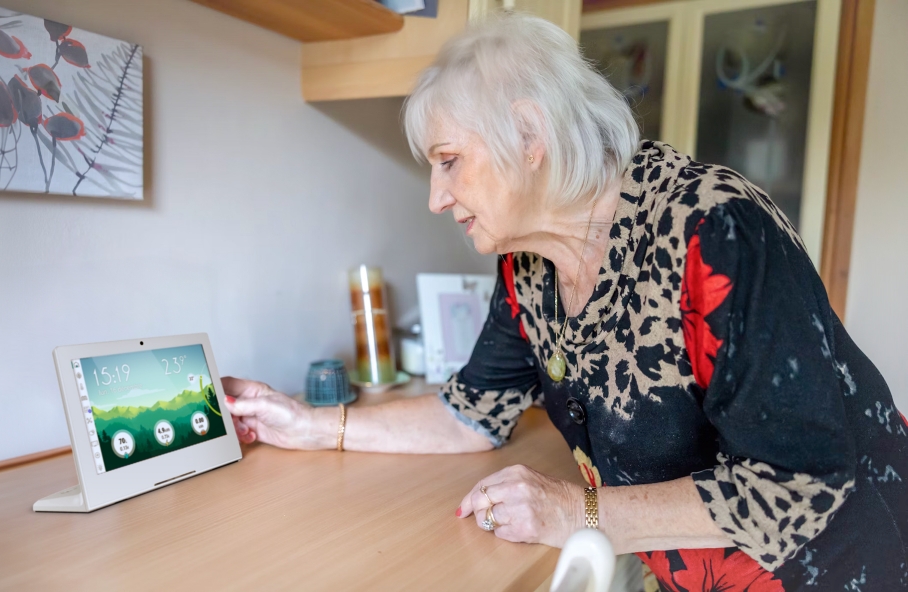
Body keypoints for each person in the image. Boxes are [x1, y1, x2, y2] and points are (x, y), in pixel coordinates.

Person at [223, 14, 907, 591]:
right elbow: (473, 415)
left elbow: (797, 484)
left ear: (528, 135)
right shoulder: (528, 264)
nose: (435, 197)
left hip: (846, 565)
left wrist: (576, 509)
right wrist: (311, 425)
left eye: (449, 160)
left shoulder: (714, 229)